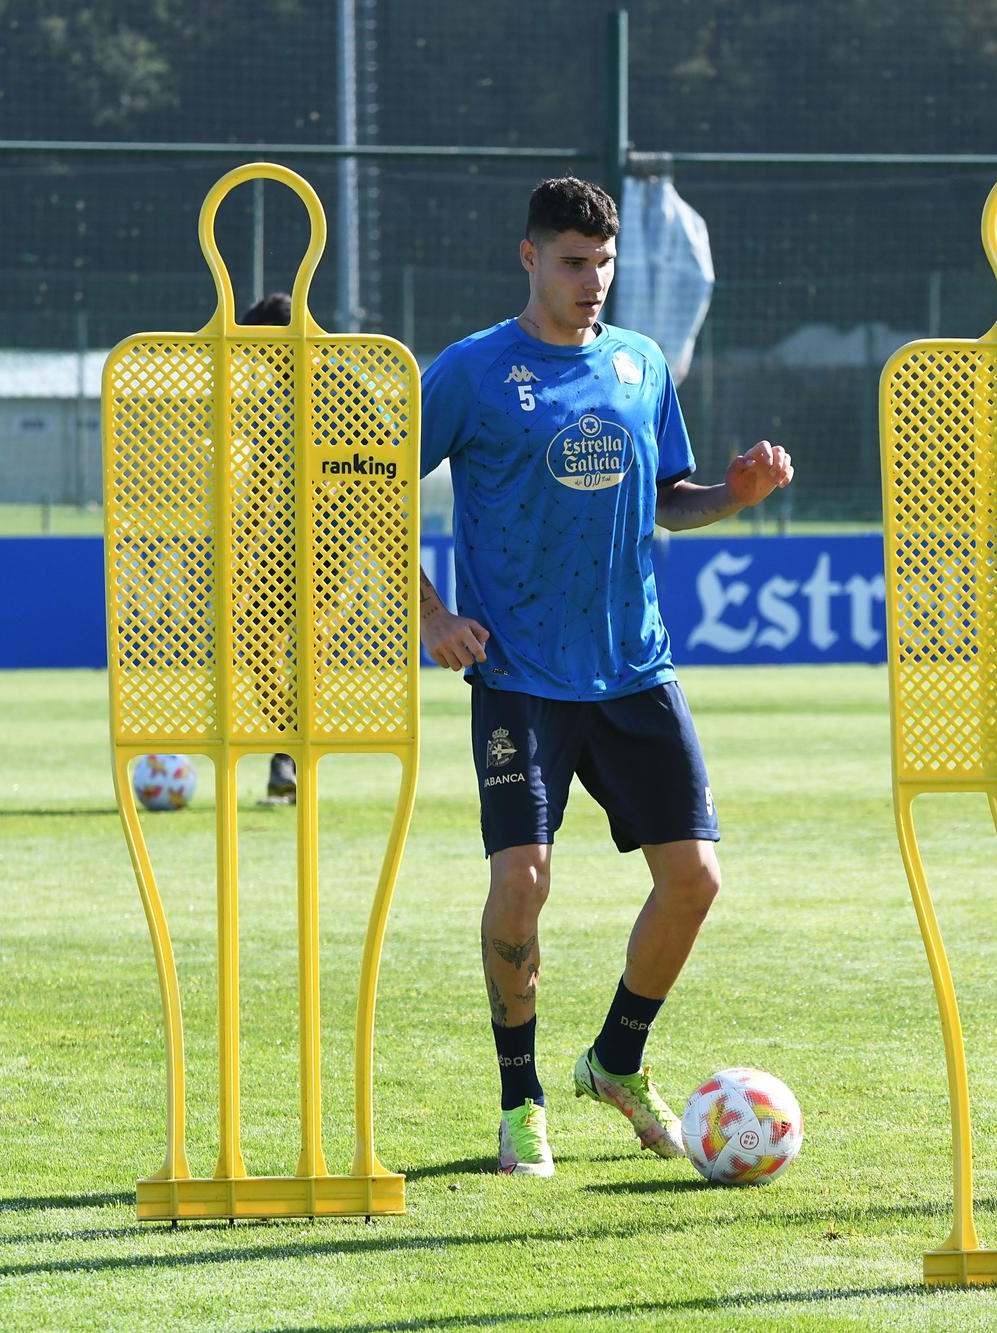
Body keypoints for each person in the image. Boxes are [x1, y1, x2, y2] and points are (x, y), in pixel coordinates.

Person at [417, 177, 794, 1176]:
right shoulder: (467, 372)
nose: (592, 282)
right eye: (574, 262)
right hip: (521, 676)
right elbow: (362, 495)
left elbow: (672, 500)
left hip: (634, 668)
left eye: (605, 263)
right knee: (521, 882)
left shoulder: (639, 364)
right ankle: (520, 1102)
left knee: (693, 878)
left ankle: (615, 1060)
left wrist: (735, 494)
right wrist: (433, 616)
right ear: (529, 257)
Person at [238, 290, 301, 806]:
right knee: (256, 642)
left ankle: (288, 752)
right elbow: (263, 477)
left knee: (303, 650)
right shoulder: (277, 397)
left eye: (259, 345)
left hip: (330, 543)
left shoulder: (340, 384)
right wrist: (246, 548)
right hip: (285, 544)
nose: (256, 356)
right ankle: (288, 748)